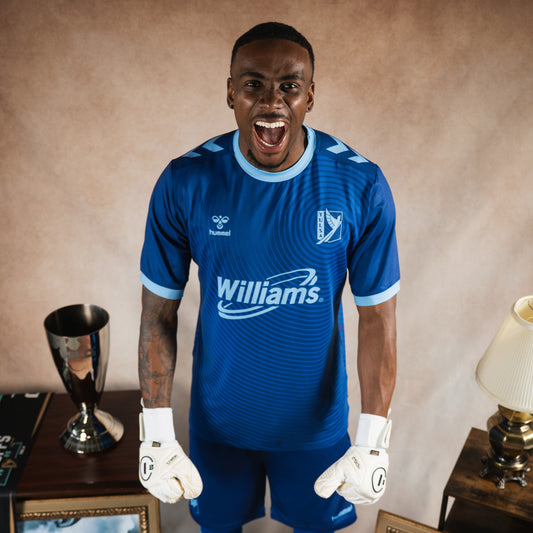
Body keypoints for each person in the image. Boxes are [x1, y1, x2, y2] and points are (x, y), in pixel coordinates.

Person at [138, 22, 399, 533]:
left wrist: (373, 441)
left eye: (289, 86)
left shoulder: (360, 183)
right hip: (219, 426)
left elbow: (378, 320)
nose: (271, 100)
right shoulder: (185, 180)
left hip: (315, 429)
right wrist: (157, 432)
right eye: (253, 84)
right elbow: (157, 313)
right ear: (230, 92)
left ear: (310, 96)